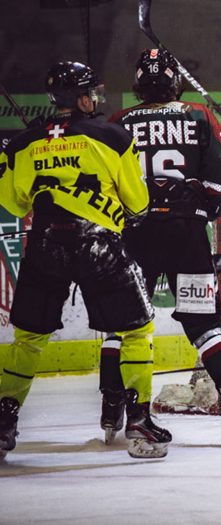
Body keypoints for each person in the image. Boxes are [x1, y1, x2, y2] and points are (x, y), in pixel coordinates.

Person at [0, 61, 167, 459]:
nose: (96, 97)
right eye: (91, 90)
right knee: (136, 331)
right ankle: (140, 419)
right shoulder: (112, 136)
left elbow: (10, 200)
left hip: (45, 246)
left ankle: (4, 422)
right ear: (79, 97)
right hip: (100, 246)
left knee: (28, 339)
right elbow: (138, 202)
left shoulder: (24, 143)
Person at [101, 48, 221, 442]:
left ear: (138, 85)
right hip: (186, 236)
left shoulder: (118, 122)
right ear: (175, 81)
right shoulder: (198, 115)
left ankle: (112, 402)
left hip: (134, 236)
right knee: (204, 322)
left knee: (120, 325)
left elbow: (104, 180)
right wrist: (207, 205)